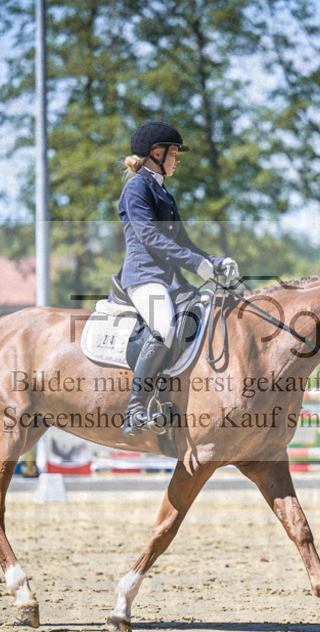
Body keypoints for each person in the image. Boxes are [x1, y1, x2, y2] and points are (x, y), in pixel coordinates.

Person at [117, 121, 240, 437]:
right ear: (156, 154)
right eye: (174, 153)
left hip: (168, 279)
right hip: (144, 276)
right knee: (164, 326)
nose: (178, 159)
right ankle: (134, 409)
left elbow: (183, 242)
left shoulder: (162, 192)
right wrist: (197, 264)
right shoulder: (136, 188)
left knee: (199, 317)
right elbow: (151, 239)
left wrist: (215, 262)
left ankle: (167, 396)